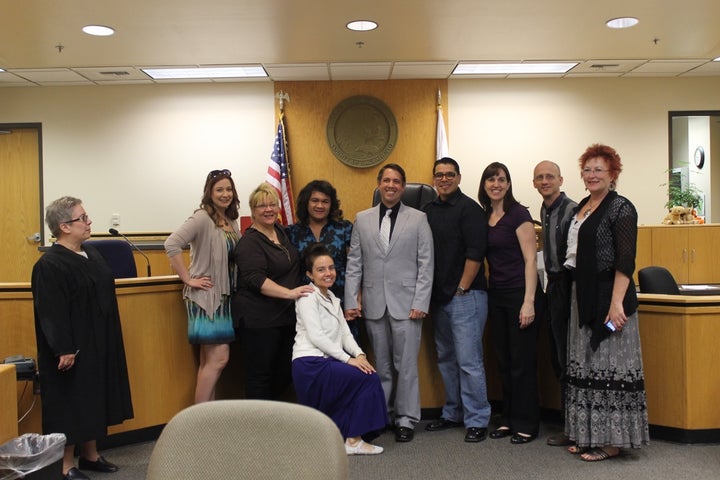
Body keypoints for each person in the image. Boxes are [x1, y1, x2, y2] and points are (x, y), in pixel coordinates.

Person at [31, 196, 133, 480]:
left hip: (98, 339)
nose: (89, 223)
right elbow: (50, 312)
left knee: (94, 397)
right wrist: (63, 349)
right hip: (71, 347)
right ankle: (65, 466)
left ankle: (90, 455)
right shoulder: (49, 265)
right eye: (83, 218)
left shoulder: (91, 253)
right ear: (63, 226)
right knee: (71, 402)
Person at [563, 144, 649, 461]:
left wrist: (616, 306)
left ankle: (613, 442)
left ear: (613, 174)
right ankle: (589, 435)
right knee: (587, 364)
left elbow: (626, 260)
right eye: (587, 169)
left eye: (600, 169)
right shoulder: (582, 206)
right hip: (582, 297)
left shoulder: (621, 208)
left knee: (610, 365)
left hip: (611, 298)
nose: (592, 174)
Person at [345, 163, 434, 443]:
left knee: (405, 364)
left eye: (397, 181)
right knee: (380, 366)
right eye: (386, 180)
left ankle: (406, 419)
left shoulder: (418, 219)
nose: (391, 185)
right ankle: (381, 415)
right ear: (379, 184)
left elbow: (426, 263)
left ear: (403, 186)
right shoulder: (363, 218)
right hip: (373, 303)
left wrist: (421, 300)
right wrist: (350, 300)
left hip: (408, 305)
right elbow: (354, 262)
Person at [292, 243, 388, 455]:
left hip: (326, 361)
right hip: (310, 364)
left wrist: (360, 355)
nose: (328, 273)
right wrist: (348, 360)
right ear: (310, 274)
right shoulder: (307, 297)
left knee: (367, 372)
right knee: (367, 379)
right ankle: (353, 441)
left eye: (331, 268)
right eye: (321, 269)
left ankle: (351, 438)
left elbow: (345, 334)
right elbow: (316, 336)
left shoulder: (333, 298)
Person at [423, 157, 491, 443]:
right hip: (438, 299)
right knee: (447, 360)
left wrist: (461, 289)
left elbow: (475, 253)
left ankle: (477, 418)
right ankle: (453, 413)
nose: (444, 179)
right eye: (439, 175)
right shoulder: (427, 210)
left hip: (466, 296)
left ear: (459, 178)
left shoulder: (470, 210)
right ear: (434, 179)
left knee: (469, 361)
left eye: (450, 175)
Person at [164, 169, 241, 404]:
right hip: (206, 297)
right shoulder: (202, 217)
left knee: (209, 362)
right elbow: (171, 244)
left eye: (228, 189)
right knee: (219, 359)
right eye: (219, 190)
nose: (225, 194)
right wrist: (187, 278)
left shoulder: (230, 219)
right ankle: (199, 419)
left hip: (223, 297)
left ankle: (205, 418)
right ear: (209, 193)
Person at [233, 183, 314, 399]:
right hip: (259, 320)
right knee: (260, 376)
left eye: (272, 204)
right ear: (252, 210)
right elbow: (255, 279)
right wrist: (290, 293)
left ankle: (273, 421)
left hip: (285, 317)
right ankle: (257, 428)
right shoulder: (249, 242)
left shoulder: (280, 231)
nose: (268, 209)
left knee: (285, 372)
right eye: (262, 206)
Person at [478, 162, 540, 444]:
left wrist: (528, 302)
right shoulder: (485, 215)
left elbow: (530, 260)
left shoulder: (519, 214)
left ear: (509, 184)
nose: (496, 184)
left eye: (501, 179)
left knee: (521, 362)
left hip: (519, 294)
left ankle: (527, 423)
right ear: (484, 184)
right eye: (491, 180)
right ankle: (508, 419)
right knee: (503, 361)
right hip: (496, 295)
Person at [532, 160, 577, 447]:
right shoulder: (544, 211)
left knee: (568, 358)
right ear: (534, 183)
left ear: (561, 179)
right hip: (553, 288)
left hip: (569, 288)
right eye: (539, 178)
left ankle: (573, 427)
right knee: (558, 358)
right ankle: (569, 423)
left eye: (550, 176)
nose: (545, 181)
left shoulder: (572, 210)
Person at [286, 180, 356, 337]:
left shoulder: (344, 228)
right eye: (315, 200)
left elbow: (356, 266)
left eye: (325, 201)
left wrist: (355, 299)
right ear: (306, 203)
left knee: (345, 350)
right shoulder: (292, 232)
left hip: (340, 301)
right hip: (306, 301)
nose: (320, 206)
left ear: (332, 205)